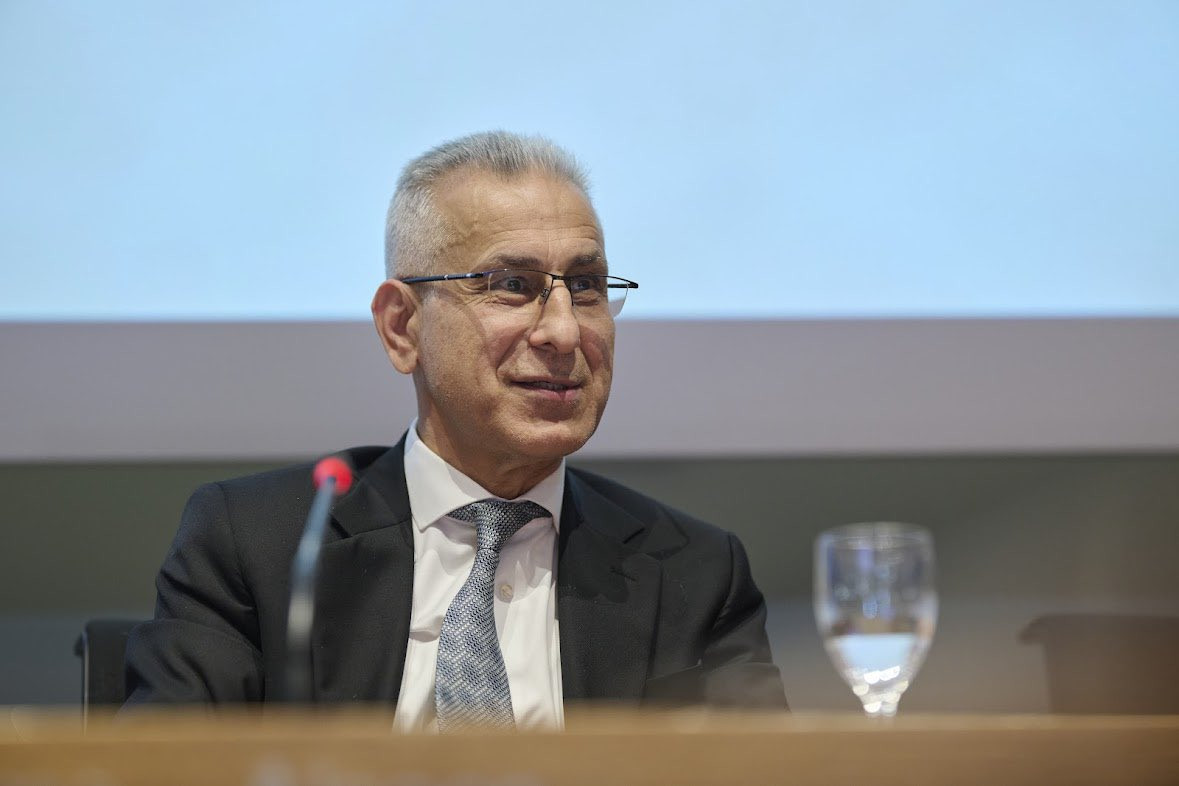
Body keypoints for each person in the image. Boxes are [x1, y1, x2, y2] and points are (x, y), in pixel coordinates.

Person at [124, 131, 787, 728]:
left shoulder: (693, 571)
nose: (564, 331)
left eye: (585, 286)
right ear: (402, 327)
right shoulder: (259, 545)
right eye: (512, 284)